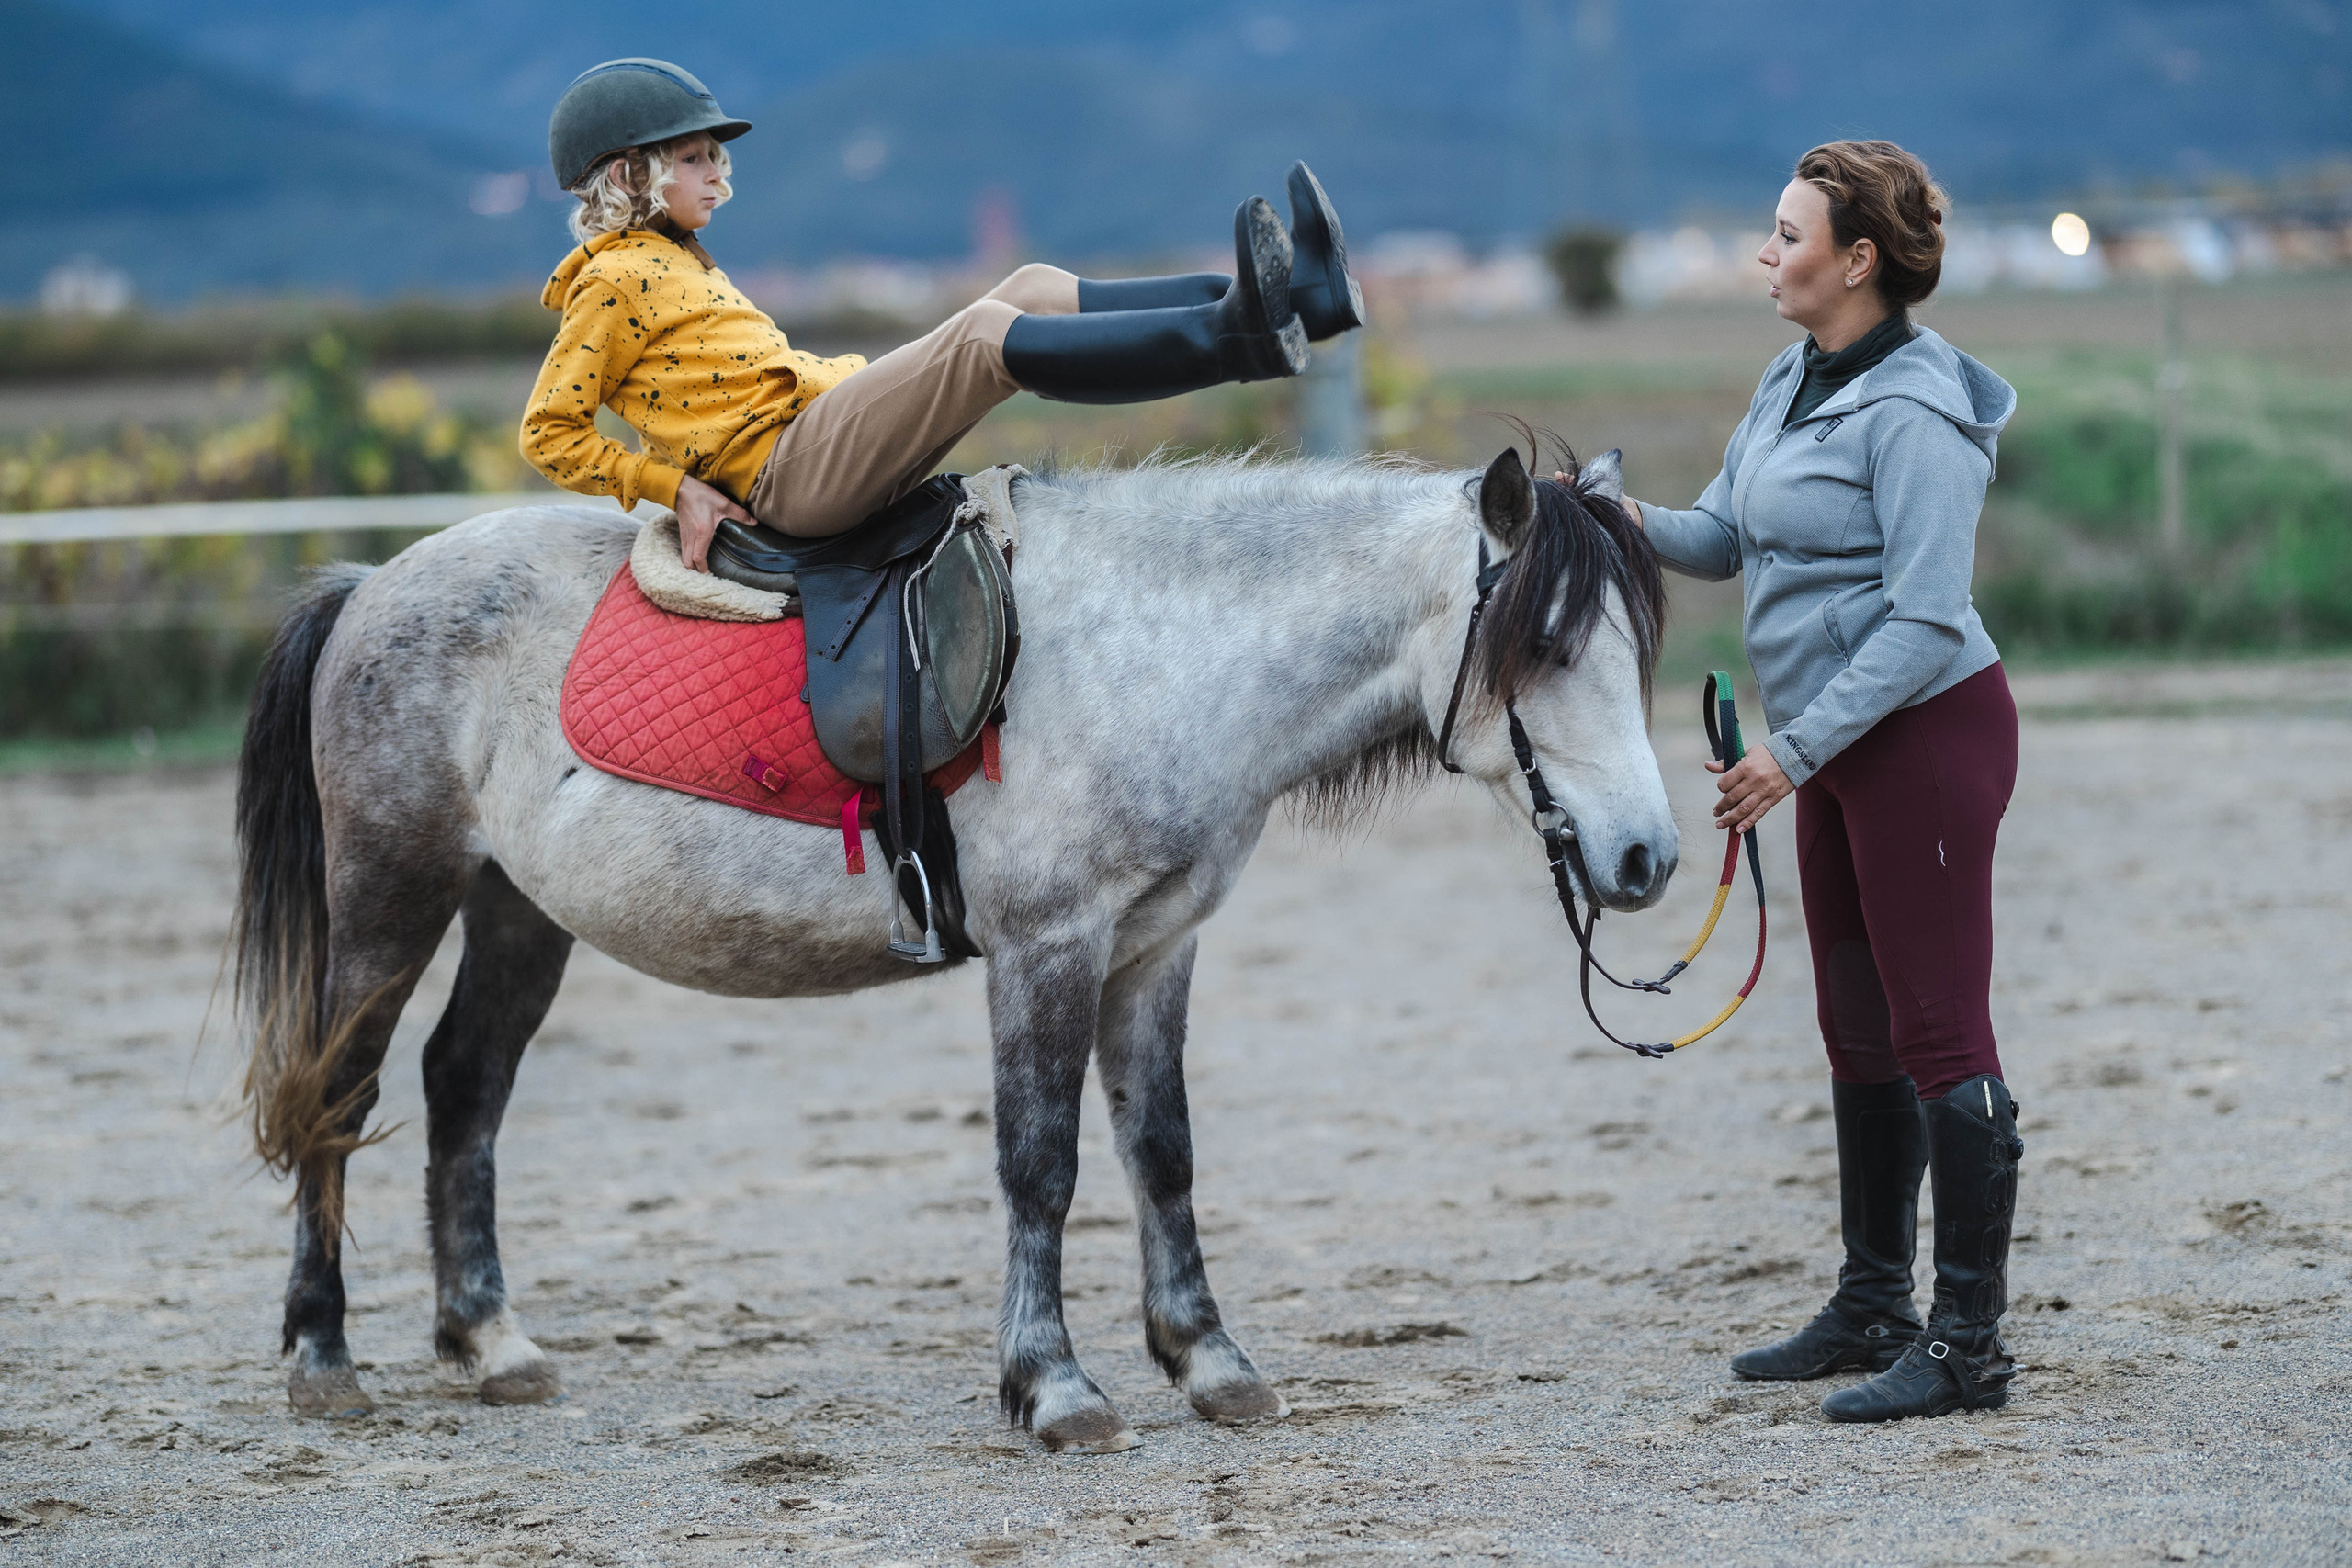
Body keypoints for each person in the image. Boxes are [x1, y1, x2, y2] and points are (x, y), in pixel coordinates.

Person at [1614, 140, 2024, 1423]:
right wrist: (1613, 513)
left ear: (1857, 260)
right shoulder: (1792, 375)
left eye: (1787, 235)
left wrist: (1789, 755)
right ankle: (1874, 1303)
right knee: (1857, 1025)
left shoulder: (1915, 412)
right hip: (1835, 748)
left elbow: (1925, 620)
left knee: (1939, 1033)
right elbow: (1723, 535)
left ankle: (1968, 1347)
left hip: (1926, 739)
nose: (1765, 252)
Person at [519, 58, 1363, 565]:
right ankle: (1235, 341)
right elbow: (548, 432)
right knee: (984, 338)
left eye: (714, 155)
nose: (716, 173)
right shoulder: (611, 281)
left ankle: (1299, 299)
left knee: (1030, 284)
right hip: (788, 476)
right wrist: (671, 487)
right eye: (693, 157)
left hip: (813, 433)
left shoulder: (674, 256)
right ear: (628, 174)